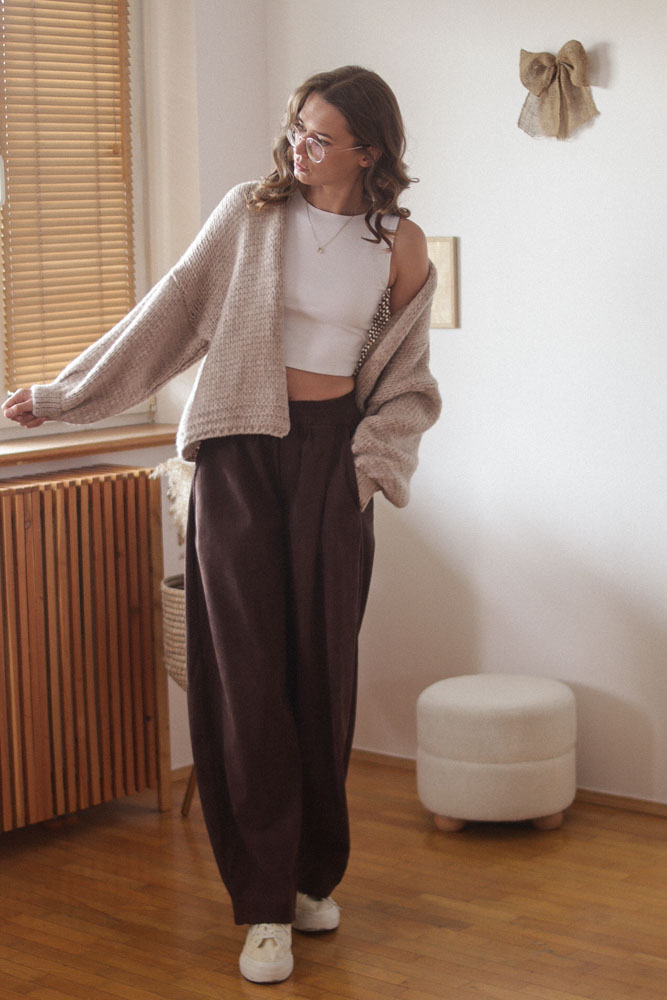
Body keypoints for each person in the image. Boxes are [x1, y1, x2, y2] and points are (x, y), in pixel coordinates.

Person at [3, 65, 441, 984]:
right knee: (243, 677)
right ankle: (263, 905)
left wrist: (367, 470)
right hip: (239, 451)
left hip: (331, 463)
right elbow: (166, 316)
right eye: (296, 128)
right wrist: (64, 395)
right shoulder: (251, 213)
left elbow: (407, 386)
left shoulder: (400, 246)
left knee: (323, 675)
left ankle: (312, 877)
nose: (297, 147)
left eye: (319, 137)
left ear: (368, 151)